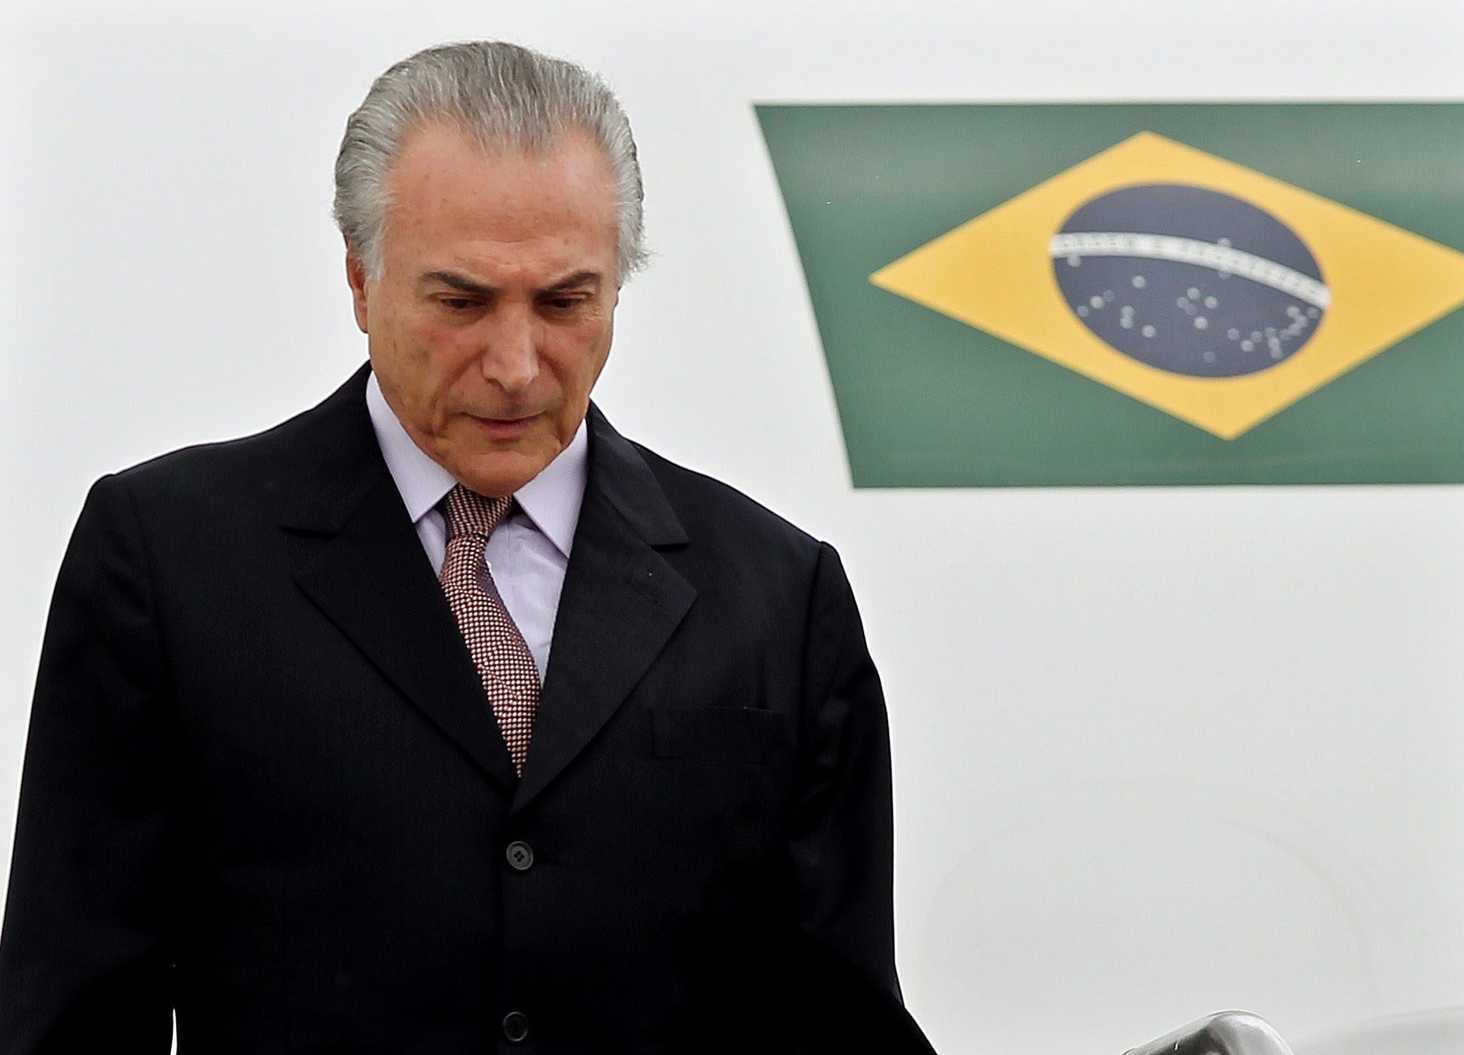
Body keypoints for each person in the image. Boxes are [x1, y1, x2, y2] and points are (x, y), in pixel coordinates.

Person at [0, 41, 935, 1054]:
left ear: (618, 289)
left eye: (564, 301)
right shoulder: (167, 559)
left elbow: (840, 1022)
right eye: (461, 301)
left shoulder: (776, 593)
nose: (515, 364)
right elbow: (74, 1010)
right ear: (360, 281)